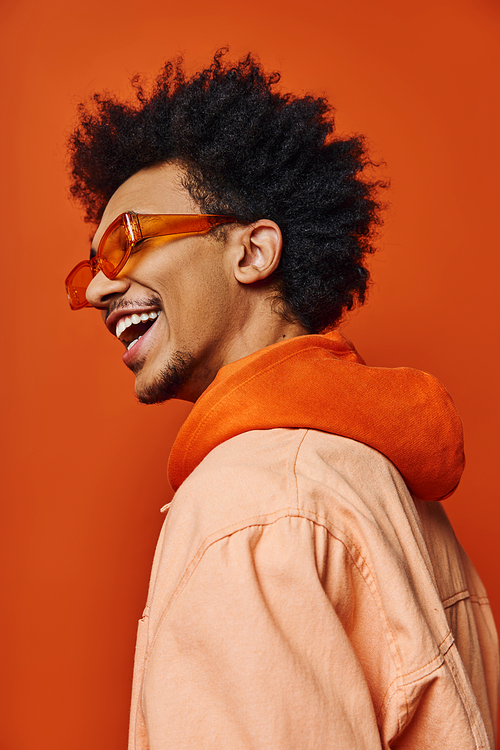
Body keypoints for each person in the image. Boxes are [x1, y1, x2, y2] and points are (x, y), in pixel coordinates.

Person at [65, 51, 498, 749]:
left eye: (130, 241)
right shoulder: (377, 476)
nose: (94, 291)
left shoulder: (249, 504)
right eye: (89, 266)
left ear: (252, 253)